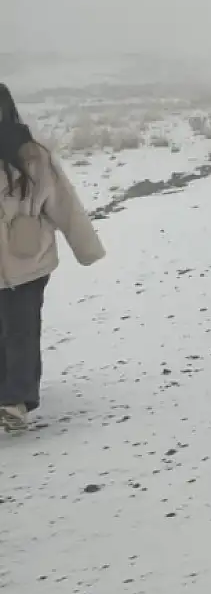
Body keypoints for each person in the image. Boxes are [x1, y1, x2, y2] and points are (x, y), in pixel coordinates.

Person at [0, 84, 105, 433]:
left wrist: (86, 247)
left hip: (28, 260)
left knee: (21, 330)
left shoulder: (33, 156)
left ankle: (15, 402)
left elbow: (64, 204)